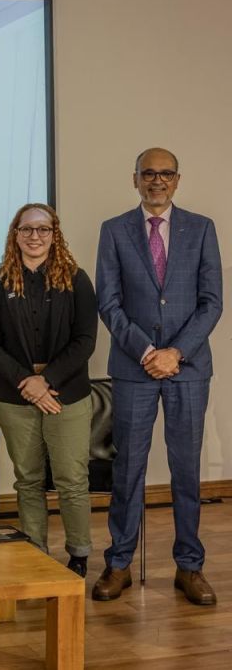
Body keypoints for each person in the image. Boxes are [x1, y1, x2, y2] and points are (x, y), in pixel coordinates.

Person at [92, 148, 222, 605]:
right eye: (149, 173)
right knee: (128, 468)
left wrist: (176, 353)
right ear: (135, 180)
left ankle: (190, 566)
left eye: (165, 174)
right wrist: (148, 352)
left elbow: (212, 302)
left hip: (188, 370)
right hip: (133, 368)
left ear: (178, 180)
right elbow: (108, 303)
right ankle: (119, 563)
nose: (157, 181)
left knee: (187, 470)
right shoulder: (114, 231)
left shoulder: (202, 229)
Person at [0, 204, 96, 575]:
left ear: (54, 234)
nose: (35, 236)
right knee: (27, 480)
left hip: (67, 394)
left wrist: (46, 381)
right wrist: (27, 383)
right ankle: (36, 552)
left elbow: (85, 340)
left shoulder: (76, 280)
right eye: (27, 229)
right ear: (15, 234)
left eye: (43, 230)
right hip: (15, 396)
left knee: (71, 480)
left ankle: (78, 555)